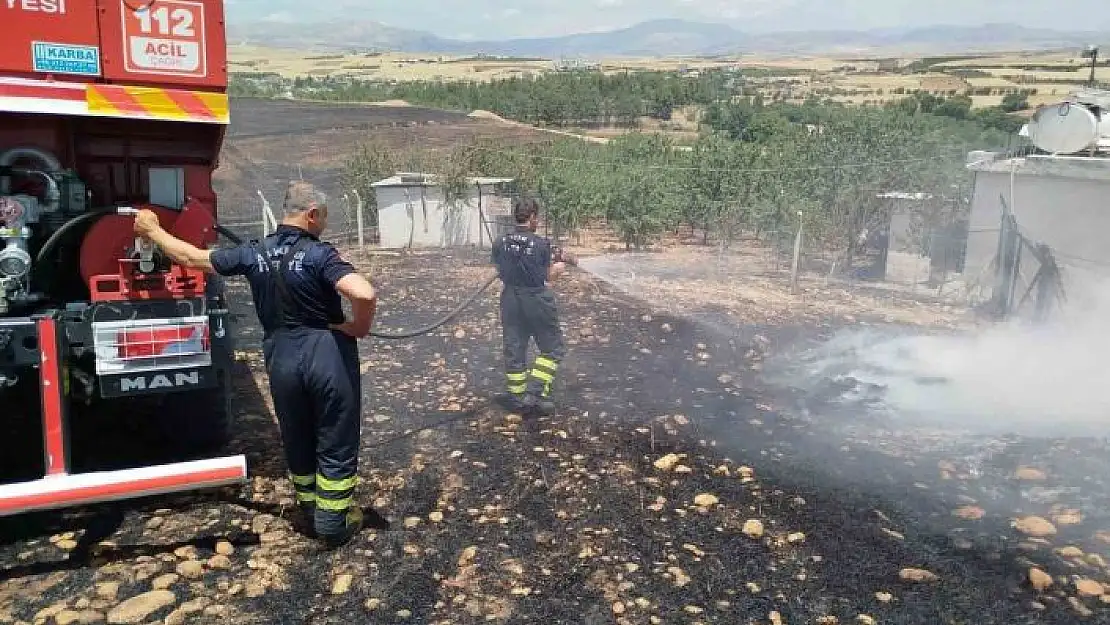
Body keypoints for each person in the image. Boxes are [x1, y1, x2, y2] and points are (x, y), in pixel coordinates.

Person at [133, 181, 378, 549]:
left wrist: (152, 231)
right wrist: (357, 326)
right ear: (312, 214)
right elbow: (364, 292)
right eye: (324, 217)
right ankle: (332, 525)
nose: (324, 224)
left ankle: (310, 511)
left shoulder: (253, 251)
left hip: (280, 355)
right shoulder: (319, 254)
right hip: (324, 349)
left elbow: (191, 258)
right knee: (335, 436)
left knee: (296, 434)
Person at [491, 196, 577, 417]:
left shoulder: (500, 241)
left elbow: (501, 267)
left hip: (510, 298)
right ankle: (536, 394)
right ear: (532, 218)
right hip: (536, 300)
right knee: (553, 349)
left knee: (515, 348)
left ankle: (517, 398)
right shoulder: (540, 244)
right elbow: (548, 276)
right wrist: (559, 266)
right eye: (536, 218)